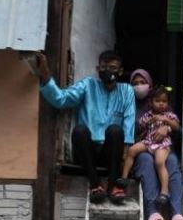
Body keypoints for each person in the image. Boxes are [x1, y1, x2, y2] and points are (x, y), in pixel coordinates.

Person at [37, 50, 135, 204]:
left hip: (110, 154)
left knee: (116, 130)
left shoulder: (127, 91)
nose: (108, 71)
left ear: (121, 71)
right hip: (87, 151)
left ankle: (113, 186)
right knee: (79, 130)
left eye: (113, 67)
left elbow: (129, 124)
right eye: (104, 67)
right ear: (98, 69)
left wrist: (125, 156)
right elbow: (61, 100)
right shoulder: (88, 85)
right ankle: (95, 185)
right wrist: (45, 75)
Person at [128, 69, 183, 220]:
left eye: (143, 83)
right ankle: (152, 211)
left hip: (163, 147)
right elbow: (128, 130)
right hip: (143, 147)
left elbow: (179, 130)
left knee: (173, 162)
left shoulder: (162, 106)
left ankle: (176, 213)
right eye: (135, 84)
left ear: (150, 85)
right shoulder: (128, 102)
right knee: (146, 160)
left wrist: (166, 128)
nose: (139, 86)